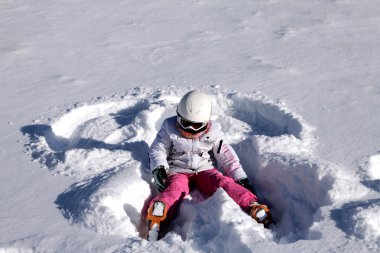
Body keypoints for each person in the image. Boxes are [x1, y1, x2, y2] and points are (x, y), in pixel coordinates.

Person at [146, 90, 272, 240]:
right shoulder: (169, 127)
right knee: (175, 188)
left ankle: (253, 205)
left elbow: (226, 155)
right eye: (186, 124)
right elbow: (158, 149)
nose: (191, 130)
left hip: (204, 170)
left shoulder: (214, 132)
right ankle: (159, 212)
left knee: (223, 182)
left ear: (206, 122)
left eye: (197, 126)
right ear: (179, 117)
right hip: (178, 170)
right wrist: (159, 168)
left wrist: (240, 178)